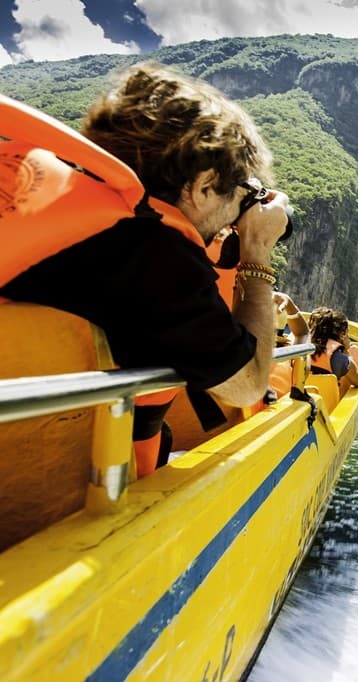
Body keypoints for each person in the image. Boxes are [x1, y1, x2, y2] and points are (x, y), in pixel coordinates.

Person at [0, 63, 290, 475]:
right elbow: (247, 386)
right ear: (205, 185)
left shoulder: (66, 202)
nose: (236, 216)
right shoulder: (153, 253)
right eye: (243, 195)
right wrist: (257, 253)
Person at [309, 307, 358, 395]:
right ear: (342, 334)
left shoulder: (304, 346)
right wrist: (346, 352)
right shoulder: (340, 359)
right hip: (324, 401)